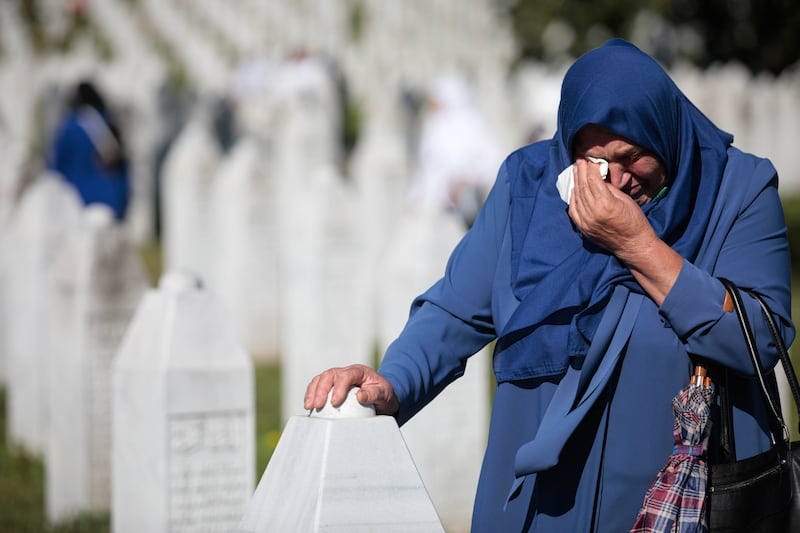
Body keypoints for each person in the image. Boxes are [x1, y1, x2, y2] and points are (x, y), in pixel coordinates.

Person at [304, 39, 795, 531]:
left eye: (634, 157)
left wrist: (637, 244)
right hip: (537, 503)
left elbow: (760, 336)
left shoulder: (736, 191)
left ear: (664, 134)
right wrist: (393, 382)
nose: (618, 182)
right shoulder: (529, 183)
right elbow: (456, 310)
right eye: (597, 163)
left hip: (681, 503)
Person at [48, 80, 130, 220]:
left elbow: (56, 167)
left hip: (78, 200)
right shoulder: (108, 122)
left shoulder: (70, 127)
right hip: (112, 200)